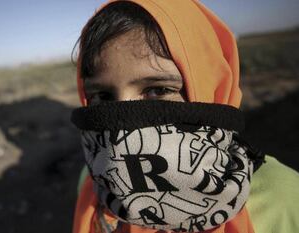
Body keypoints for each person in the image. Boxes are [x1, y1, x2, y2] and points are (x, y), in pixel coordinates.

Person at [70, 0, 299, 233]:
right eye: (102, 95)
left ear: (213, 89)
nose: (120, 130)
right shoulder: (92, 181)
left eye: (157, 90)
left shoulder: (283, 199)